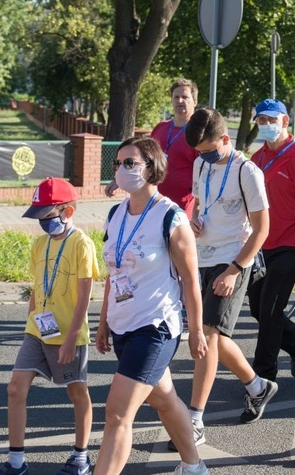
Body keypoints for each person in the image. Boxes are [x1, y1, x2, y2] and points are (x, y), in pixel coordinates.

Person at [94, 136, 210, 475]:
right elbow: (113, 275)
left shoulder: (170, 217)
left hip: (156, 327)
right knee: (163, 397)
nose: (121, 169)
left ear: (151, 167)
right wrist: (102, 322)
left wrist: (196, 331)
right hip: (122, 325)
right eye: (118, 163)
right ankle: (194, 466)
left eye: (130, 163)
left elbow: (191, 280)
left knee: (117, 414)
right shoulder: (116, 215)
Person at [177, 108, 276, 448]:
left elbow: (262, 228)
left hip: (234, 260)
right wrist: (192, 220)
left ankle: (195, 419)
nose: (204, 156)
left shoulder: (247, 171)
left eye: (209, 149)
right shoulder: (200, 163)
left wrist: (235, 268)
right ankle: (258, 386)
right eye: (199, 151)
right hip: (203, 255)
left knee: (206, 336)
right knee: (216, 338)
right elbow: (197, 201)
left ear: (225, 139)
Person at [0, 179, 99, 475]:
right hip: (38, 330)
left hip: (69, 334)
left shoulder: (82, 243)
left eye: (47, 216)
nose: (43, 223)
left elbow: (85, 296)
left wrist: (70, 340)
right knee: (15, 388)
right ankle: (16, 460)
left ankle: (81, 456)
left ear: (67, 211)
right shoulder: (40, 244)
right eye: (39, 217)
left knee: (77, 392)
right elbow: (36, 288)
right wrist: (30, 323)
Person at [247, 99, 295, 382]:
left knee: (271, 310)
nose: (265, 126)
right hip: (261, 246)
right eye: (261, 121)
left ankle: (263, 375)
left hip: (291, 246)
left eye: (270, 120)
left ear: (285, 122)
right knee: (256, 308)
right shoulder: (257, 159)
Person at [105, 78, 200, 219]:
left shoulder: (197, 134)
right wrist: (119, 179)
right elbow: (140, 158)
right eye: (176, 97)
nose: (180, 101)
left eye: (185, 97)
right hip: (151, 202)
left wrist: (198, 212)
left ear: (195, 101)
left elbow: (204, 173)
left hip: (181, 208)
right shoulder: (161, 128)